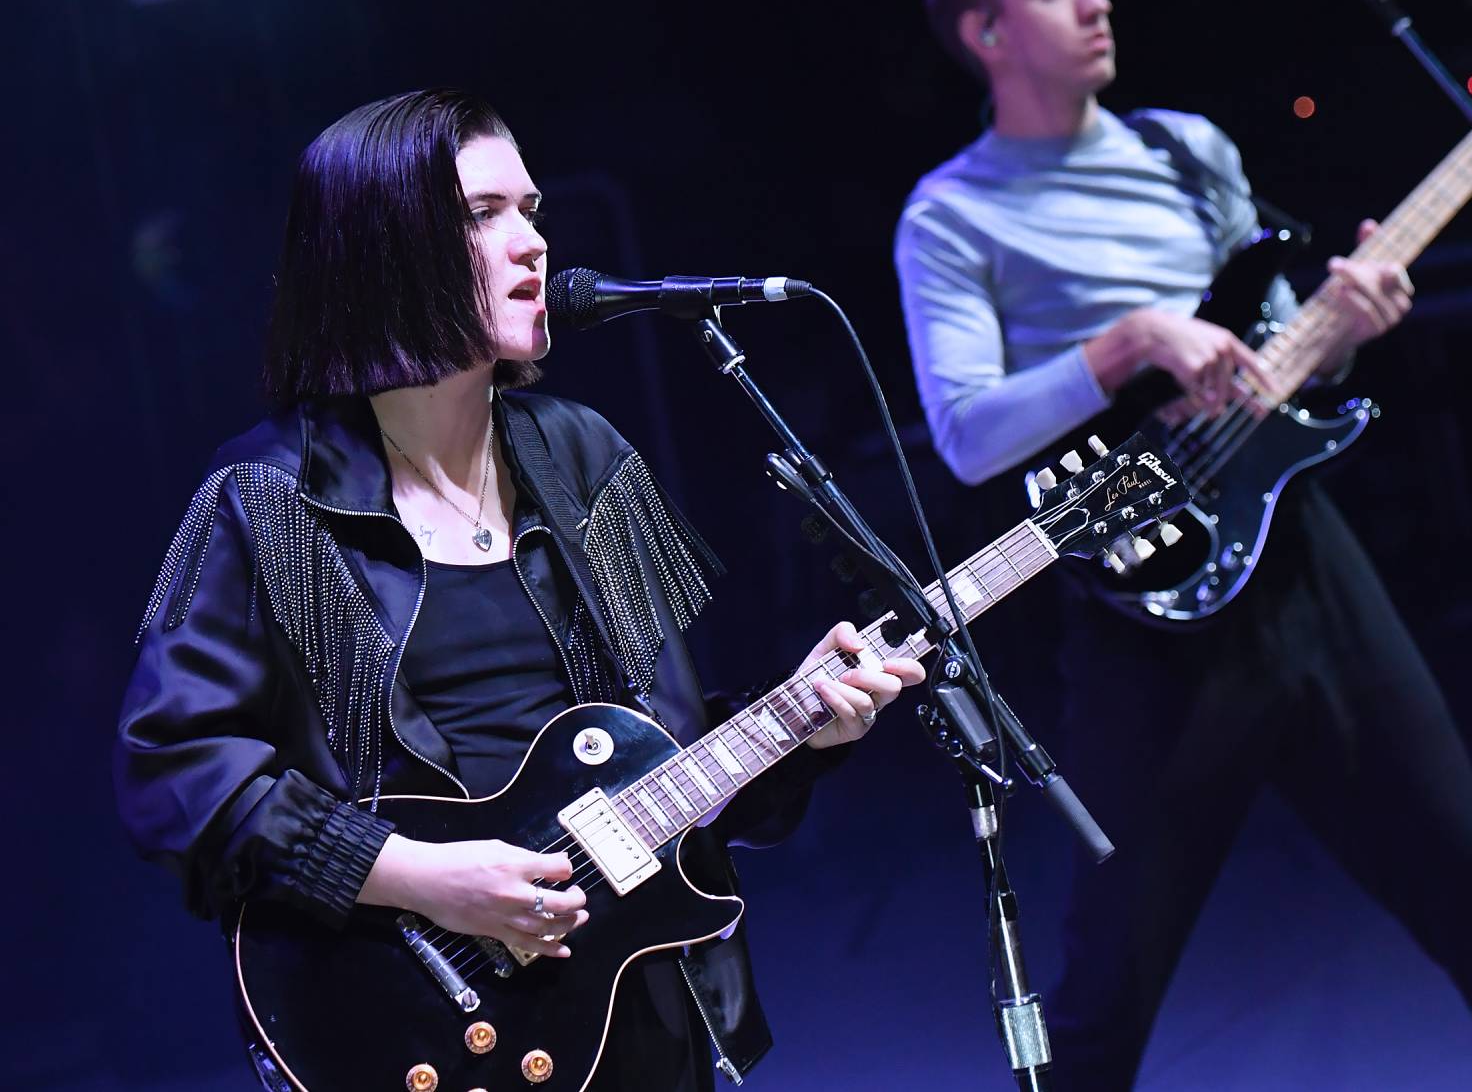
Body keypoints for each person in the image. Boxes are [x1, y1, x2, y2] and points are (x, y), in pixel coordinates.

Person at [894, 0, 1472, 1089]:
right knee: (1104, 995)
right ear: (985, 33)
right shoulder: (951, 215)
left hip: (1305, 565)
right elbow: (967, 437)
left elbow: (1273, 348)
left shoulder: (1187, 149)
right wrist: (1128, 341)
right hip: (1142, 620)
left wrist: (1338, 333)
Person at [115, 89, 924, 1091]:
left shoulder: (586, 457)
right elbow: (175, 780)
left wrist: (797, 730)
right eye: (482, 214)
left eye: (531, 209)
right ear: (381, 249)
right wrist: (425, 878)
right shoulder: (266, 502)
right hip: (414, 1020)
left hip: (634, 1010)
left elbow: (665, 763)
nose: (531, 241)